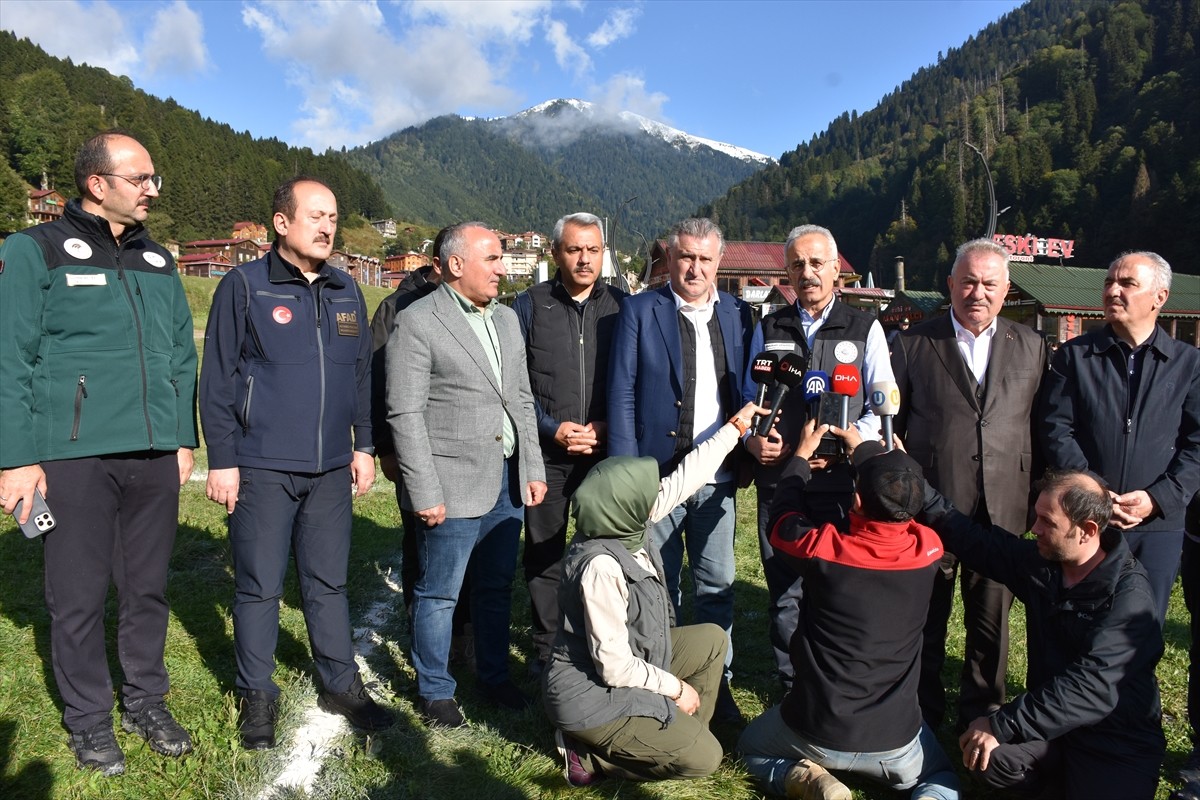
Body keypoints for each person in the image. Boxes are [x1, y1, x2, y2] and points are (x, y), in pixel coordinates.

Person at [0, 130, 198, 775]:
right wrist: (16, 458)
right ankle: (88, 718)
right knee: (78, 595)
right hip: (72, 454)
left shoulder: (160, 261)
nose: (151, 190)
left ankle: (146, 698)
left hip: (151, 456)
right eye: (140, 179)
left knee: (147, 589)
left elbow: (178, 355)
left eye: (153, 178)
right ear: (97, 183)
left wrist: (178, 437)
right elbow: (11, 361)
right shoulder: (34, 252)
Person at [200, 176, 393, 750]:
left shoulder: (346, 290)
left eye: (332, 216)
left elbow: (360, 375)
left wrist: (363, 444)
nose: (328, 226)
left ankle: (339, 683)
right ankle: (256, 693)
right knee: (259, 586)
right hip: (262, 465)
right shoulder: (244, 286)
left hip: (333, 467)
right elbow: (218, 380)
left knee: (327, 582)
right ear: (281, 223)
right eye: (315, 215)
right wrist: (224, 459)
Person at [544, 401, 765, 787]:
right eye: (648, 494)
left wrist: (737, 427)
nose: (657, 495)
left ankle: (678, 731)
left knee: (712, 639)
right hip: (593, 694)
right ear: (624, 507)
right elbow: (612, 666)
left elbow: (686, 477)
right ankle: (589, 756)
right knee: (706, 759)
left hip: (635, 657)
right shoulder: (601, 567)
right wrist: (676, 688)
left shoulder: (626, 521)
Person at [738, 426, 959, 800]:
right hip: (895, 739)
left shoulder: (823, 550)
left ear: (855, 502)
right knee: (939, 776)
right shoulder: (929, 551)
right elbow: (914, 511)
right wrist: (893, 466)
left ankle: (804, 778)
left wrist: (799, 461)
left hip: (813, 726)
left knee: (749, 749)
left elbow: (782, 521)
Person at [386, 221, 547, 728]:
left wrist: (532, 466)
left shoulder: (505, 320)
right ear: (456, 265)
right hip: (449, 486)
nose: (503, 269)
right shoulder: (417, 322)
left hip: (506, 481)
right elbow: (404, 414)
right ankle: (434, 689)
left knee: (496, 588)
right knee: (440, 592)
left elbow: (521, 398)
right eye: (493, 259)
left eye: (502, 259)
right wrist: (424, 490)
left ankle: (494, 676)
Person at [922, 469, 1166, 799]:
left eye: (1047, 522)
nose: (1034, 529)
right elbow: (980, 543)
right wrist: (916, 488)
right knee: (990, 758)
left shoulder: (1129, 599)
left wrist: (1000, 724)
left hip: (1114, 741)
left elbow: (1091, 688)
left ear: (1087, 531)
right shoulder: (1044, 564)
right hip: (1052, 731)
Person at [891, 238, 1047, 731]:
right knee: (925, 619)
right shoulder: (915, 342)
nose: (978, 292)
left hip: (1003, 508)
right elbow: (888, 423)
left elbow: (1042, 429)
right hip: (932, 508)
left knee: (991, 625)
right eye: (969, 281)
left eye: (990, 284)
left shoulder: (1033, 346)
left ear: (1005, 291)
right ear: (950, 286)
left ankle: (983, 719)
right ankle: (922, 716)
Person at [607, 217, 751, 721]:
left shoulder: (737, 313)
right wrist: (629, 474)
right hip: (656, 479)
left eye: (704, 259)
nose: (694, 267)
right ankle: (660, 684)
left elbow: (746, 391)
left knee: (717, 586)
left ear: (718, 263)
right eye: (685, 257)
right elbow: (622, 391)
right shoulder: (640, 310)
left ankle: (718, 684)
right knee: (657, 589)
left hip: (717, 478)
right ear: (669, 258)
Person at [742, 223, 892, 690]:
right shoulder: (769, 327)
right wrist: (752, 438)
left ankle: (835, 686)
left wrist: (850, 440)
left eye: (816, 263)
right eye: (797, 265)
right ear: (786, 271)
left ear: (836, 269)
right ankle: (792, 691)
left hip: (839, 482)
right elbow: (751, 396)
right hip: (780, 481)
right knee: (785, 592)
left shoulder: (865, 328)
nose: (807, 273)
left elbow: (879, 404)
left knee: (835, 588)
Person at [1040, 250, 1200, 623]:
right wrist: (1092, 494)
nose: (1113, 290)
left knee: (1142, 627)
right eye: (1109, 281)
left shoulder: (1188, 364)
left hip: (1157, 525)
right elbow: (1055, 428)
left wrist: (1158, 499)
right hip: (1086, 521)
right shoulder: (1075, 357)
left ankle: (1132, 685)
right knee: (1078, 622)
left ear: (1159, 297)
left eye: (1127, 283)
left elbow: (1197, 443)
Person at [512, 212, 627, 677]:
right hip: (548, 455)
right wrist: (549, 428)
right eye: (575, 249)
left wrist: (607, 426)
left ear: (604, 255)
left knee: (606, 556)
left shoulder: (623, 307)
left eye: (593, 250)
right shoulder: (529, 305)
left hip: (604, 454)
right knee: (544, 554)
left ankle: (602, 644)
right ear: (556, 253)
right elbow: (514, 382)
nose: (584, 259)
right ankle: (547, 650)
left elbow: (631, 380)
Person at [369, 227, 474, 664]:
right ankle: (426, 630)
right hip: (416, 450)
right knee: (421, 542)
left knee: (466, 544)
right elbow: (377, 385)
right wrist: (386, 448)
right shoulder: (398, 309)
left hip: (466, 450)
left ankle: (464, 634)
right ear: (444, 264)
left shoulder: (474, 308)